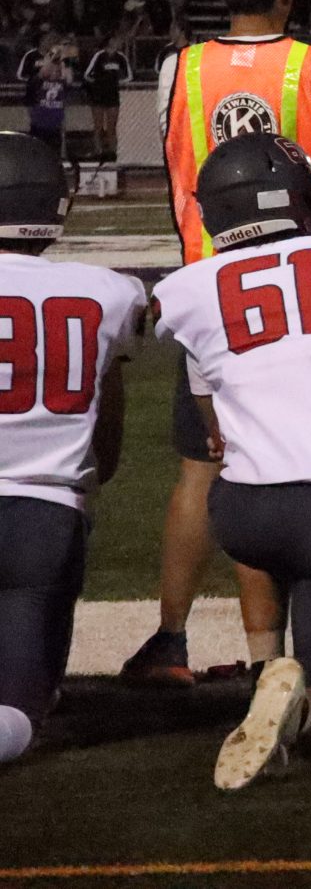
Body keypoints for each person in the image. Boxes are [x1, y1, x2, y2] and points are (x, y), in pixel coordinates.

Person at [123, 0, 311, 689]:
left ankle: (172, 639)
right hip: (310, 291)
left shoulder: (177, 71)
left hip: (212, 293)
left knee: (206, 467)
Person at [149, 134, 311, 790]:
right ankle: (306, 706)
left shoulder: (188, 290)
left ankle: (269, 665)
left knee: (272, 526)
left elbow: (210, 419)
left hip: (243, 511)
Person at [0, 133, 149, 768]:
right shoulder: (111, 291)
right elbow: (109, 421)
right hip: (46, 515)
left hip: (45, 511)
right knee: (22, 711)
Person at [80, 37, 132, 167]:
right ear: (110, 41)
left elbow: (129, 76)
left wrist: (115, 83)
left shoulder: (121, 57)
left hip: (112, 96)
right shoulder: (99, 55)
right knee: (98, 126)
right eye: (117, 40)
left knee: (111, 127)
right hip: (98, 96)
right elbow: (87, 74)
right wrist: (98, 84)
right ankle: (98, 152)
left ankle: (112, 154)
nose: (119, 42)